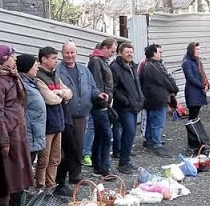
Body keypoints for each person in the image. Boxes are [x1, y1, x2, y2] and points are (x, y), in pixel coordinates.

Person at [0, 45, 33, 206]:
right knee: (5, 170)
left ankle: (10, 203)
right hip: (7, 133)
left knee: (15, 170)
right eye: (12, 56)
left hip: (15, 130)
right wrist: (4, 139)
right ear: (4, 59)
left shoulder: (10, 77)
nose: (15, 59)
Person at [56, 41, 109, 185]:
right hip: (64, 116)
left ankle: (75, 175)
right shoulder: (57, 71)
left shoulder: (84, 70)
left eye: (72, 52)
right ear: (62, 54)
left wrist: (99, 95)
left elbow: (92, 88)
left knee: (78, 146)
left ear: (76, 54)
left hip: (81, 115)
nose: (70, 55)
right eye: (67, 52)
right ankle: (59, 179)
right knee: (64, 148)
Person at [34, 46, 69, 193]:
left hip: (58, 122)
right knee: (44, 158)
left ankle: (51, 184)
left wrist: (59, 93)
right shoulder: (38, 76)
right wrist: (60, 95)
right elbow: (50, 99)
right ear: (44, 59)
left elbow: (69, 92)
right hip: (47, 124)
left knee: (55, 157)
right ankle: (40, 186)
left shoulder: (55, 74)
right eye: (53, 58)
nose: (57, 61)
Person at [110, 42, 145, 175]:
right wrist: (126, 101)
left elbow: (137, 85)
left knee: (130, 133)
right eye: (127, 52)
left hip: (135, 105)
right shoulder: (115, 67)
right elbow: (114, 88)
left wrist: (141, 99)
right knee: (128, 132)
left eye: (131, 52)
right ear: (120, 53)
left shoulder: (132, 66)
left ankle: (126, 160)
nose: (130, 54)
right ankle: (123, 162)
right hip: (124, 107)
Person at [139, 44, 179, 157]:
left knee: (151, 121)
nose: (161, 54)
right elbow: (166, 79)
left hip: (151, 98)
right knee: (157, 122)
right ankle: (156, 144)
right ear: (154, 53)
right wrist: (175, 89)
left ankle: (149, 140)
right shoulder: (154, 66)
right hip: (157, 98)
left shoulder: (146, 65)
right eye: (159, 52)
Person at [87, 38, 117, 177]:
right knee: (106, 136)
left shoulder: (99, 61)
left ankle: (98, 166)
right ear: (104, 48)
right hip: (100, 105)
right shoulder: (96, 62)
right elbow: (98, 84)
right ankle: (104, 168)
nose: (113, 54)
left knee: (99, 136)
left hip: (102, 104)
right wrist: (103, 102)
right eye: (112, 51)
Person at [16, 54, 46, 164]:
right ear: (27, 67)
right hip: (29, 135)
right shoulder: (22, 85)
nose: (37, 68)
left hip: (35, 134)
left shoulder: (31, 83)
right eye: (34, 65)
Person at [181, 42, 210, 120]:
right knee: (192, 115)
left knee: (195, 115)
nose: (198, 51)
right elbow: (190, 77)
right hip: (192, 92)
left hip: (199, 91)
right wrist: (203, 86)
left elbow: (202, 74)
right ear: (191, 50)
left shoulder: (197, 60)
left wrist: (207, 84)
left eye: (199, 49)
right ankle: (191, 132)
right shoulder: (186, 62)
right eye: (196, 49)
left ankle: (194, 131)